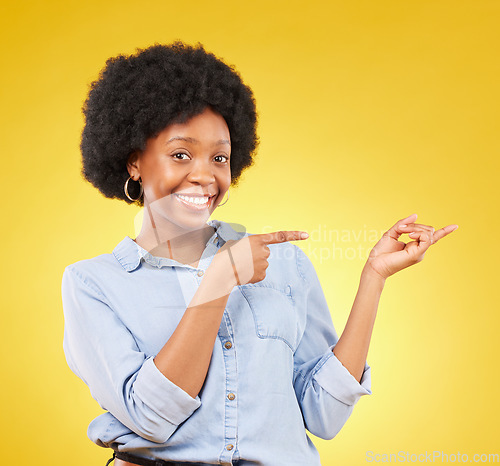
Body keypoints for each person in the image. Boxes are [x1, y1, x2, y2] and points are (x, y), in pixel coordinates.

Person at [61, 41, 458, 466]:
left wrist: (374, 277)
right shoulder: (93, 283)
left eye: (220, 158)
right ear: (134, 162)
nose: (205, 175)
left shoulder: (283, 265)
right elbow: (151, 418)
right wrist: (219, 281)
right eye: (181, 154)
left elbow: (322, 415)